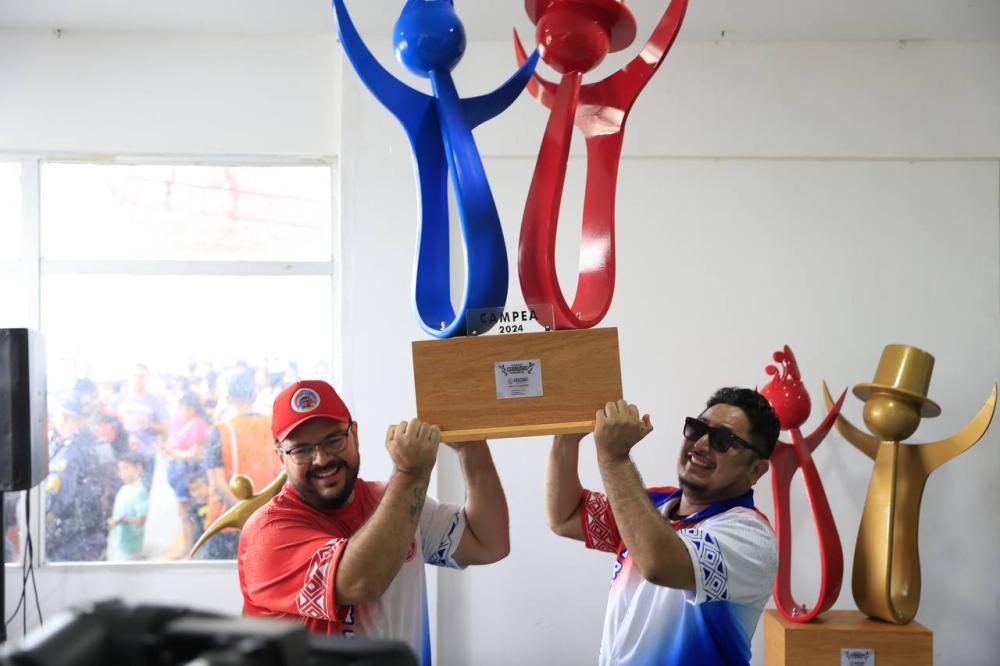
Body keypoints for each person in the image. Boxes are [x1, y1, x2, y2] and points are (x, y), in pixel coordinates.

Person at [238, 380, 509, 664]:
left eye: (333, 440)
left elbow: (488, 544)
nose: (322, 459)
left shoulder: (393, 500)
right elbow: (361, 582)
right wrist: (410, 474)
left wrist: (471, 448)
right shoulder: (266, 534)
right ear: (280, 456)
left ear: (354, 435)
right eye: (301, 450)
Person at [547, 389, 780, 665]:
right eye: (697, 429)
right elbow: (565, 517)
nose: (701, 444)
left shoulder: (751, 537)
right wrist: (566, 437)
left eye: (723, 440)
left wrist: (614, 458)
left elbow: (659, 563)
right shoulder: (652, 504)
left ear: (756, 470)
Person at [203, 370, 279, 559]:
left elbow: (218, 484)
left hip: (227, 522)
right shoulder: (274, 426)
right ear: (254, 395)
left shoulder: (220, 431)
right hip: (267, 521)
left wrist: (245, 515)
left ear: (228, 398)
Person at [44, 395, 120, 562]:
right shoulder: (102, 445)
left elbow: (53, 501)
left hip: (70, 542)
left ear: (63, 416)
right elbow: (113, 488)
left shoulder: (69, 452)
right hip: (98, 534)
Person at [107, 453, 149, 561]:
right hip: (120, 540)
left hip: (132, 544)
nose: (122, 473)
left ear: (139, 469)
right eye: (120, 469)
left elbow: (142, 519)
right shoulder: (123, 489)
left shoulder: (140, 492)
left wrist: (121, 521)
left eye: (126, 468)